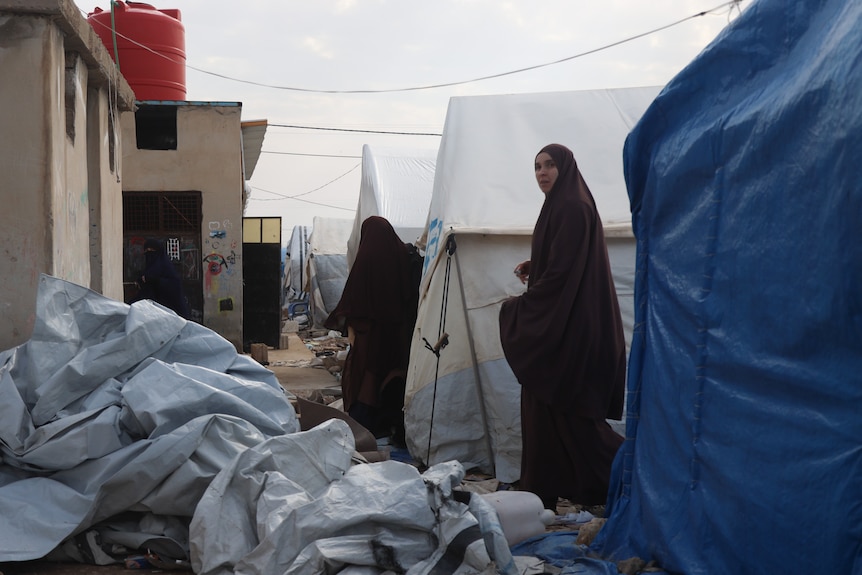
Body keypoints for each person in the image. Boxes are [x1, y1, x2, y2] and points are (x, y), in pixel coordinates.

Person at [499, 143, 626, 511]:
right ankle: (543, 493)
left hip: (572, 335)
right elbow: (564, 262)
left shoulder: (571, 207)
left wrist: (519, 308)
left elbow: (562, 276)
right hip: (571, 329)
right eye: (537, 166)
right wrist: (534, 265)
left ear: (565, 168)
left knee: (577, 424)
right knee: (551, 416)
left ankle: (634, 473)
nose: (542, 172)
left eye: (550, 165)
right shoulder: (564, 205)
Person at [324, 216, 421, 441]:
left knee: (366, 379)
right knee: (392, 376)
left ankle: (365, 426)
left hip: (370, 335)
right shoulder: (402, 257)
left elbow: (352, 303)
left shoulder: (366, 259)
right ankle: (391, 424)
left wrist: (353, 335)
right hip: (397, 334)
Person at [133, 238, 191, 319]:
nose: (149, 254)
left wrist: (156, 281)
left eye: (152, 251)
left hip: (169, 311)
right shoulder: (148, 268)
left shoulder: (167, 267)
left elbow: (174, 285)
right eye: (147, 251)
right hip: (152, 312)